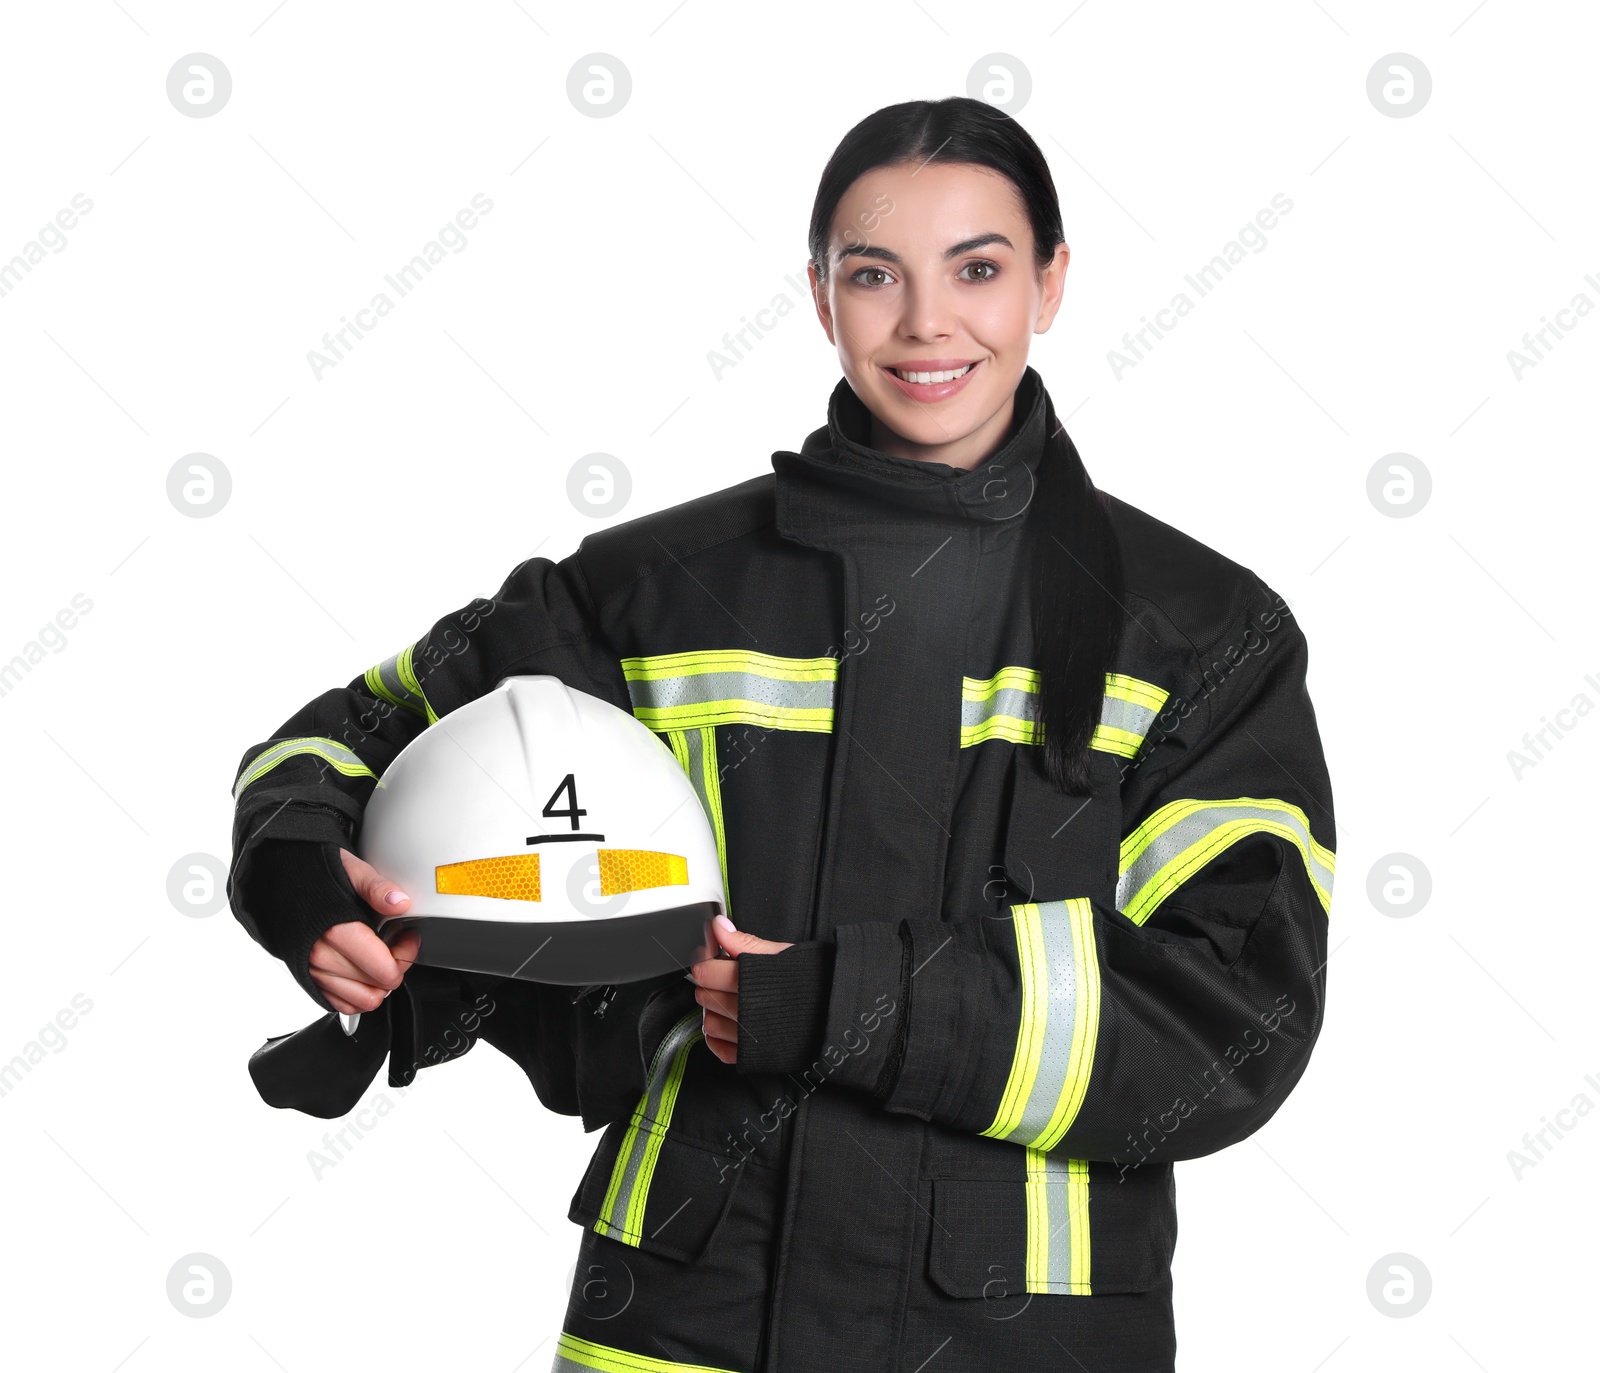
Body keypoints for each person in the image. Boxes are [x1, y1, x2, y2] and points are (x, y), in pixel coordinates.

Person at [229, 96, 1335, 1373]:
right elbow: (348, 737)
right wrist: (298, 867)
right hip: (680, 1327)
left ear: (1051, 282)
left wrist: (847, 1005)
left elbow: (1230, 1020)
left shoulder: (1197, 630)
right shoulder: (654, 588)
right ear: (818, 295)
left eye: (977, 268)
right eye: (875, 275)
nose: (927, 323)